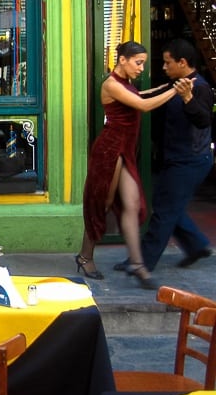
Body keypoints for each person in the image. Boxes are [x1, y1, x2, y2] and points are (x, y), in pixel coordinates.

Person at [76, 41, 188, 289]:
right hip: (110, 150)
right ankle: (85, 257)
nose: (142, 68)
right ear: (123, 60)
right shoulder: (111, 84)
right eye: (138, 63)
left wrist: (165, 87)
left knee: (132, 203)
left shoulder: (126, 85)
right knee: (101, 204)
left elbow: (141, 96)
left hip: (124, 151)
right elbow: (143, 105)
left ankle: (137, 264)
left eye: (144, 63)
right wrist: (175, 91)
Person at [112, 39, 214, 273]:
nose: (164, 67)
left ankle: (142, 262)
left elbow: (204, 120)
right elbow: (147, 98)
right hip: (175, 158)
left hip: (191, 161)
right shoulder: (175, 84)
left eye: (168, 63)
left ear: (183, 62)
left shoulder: (200, 87)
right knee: (165, 204)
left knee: (165, 211)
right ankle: (197, 245)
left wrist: (188, 99)